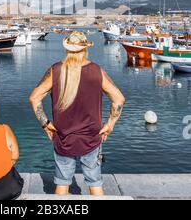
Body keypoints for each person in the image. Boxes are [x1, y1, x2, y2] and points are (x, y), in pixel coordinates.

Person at [29, 31, 125, 196]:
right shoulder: (96, 70)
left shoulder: (56, 70)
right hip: (92, 138)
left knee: (62, 183)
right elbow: (119, 99)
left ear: (67, 49)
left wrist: (46, 124)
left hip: (63, 138)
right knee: (95, 183)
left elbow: (34, 98)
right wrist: (109, 125)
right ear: (85, 48)